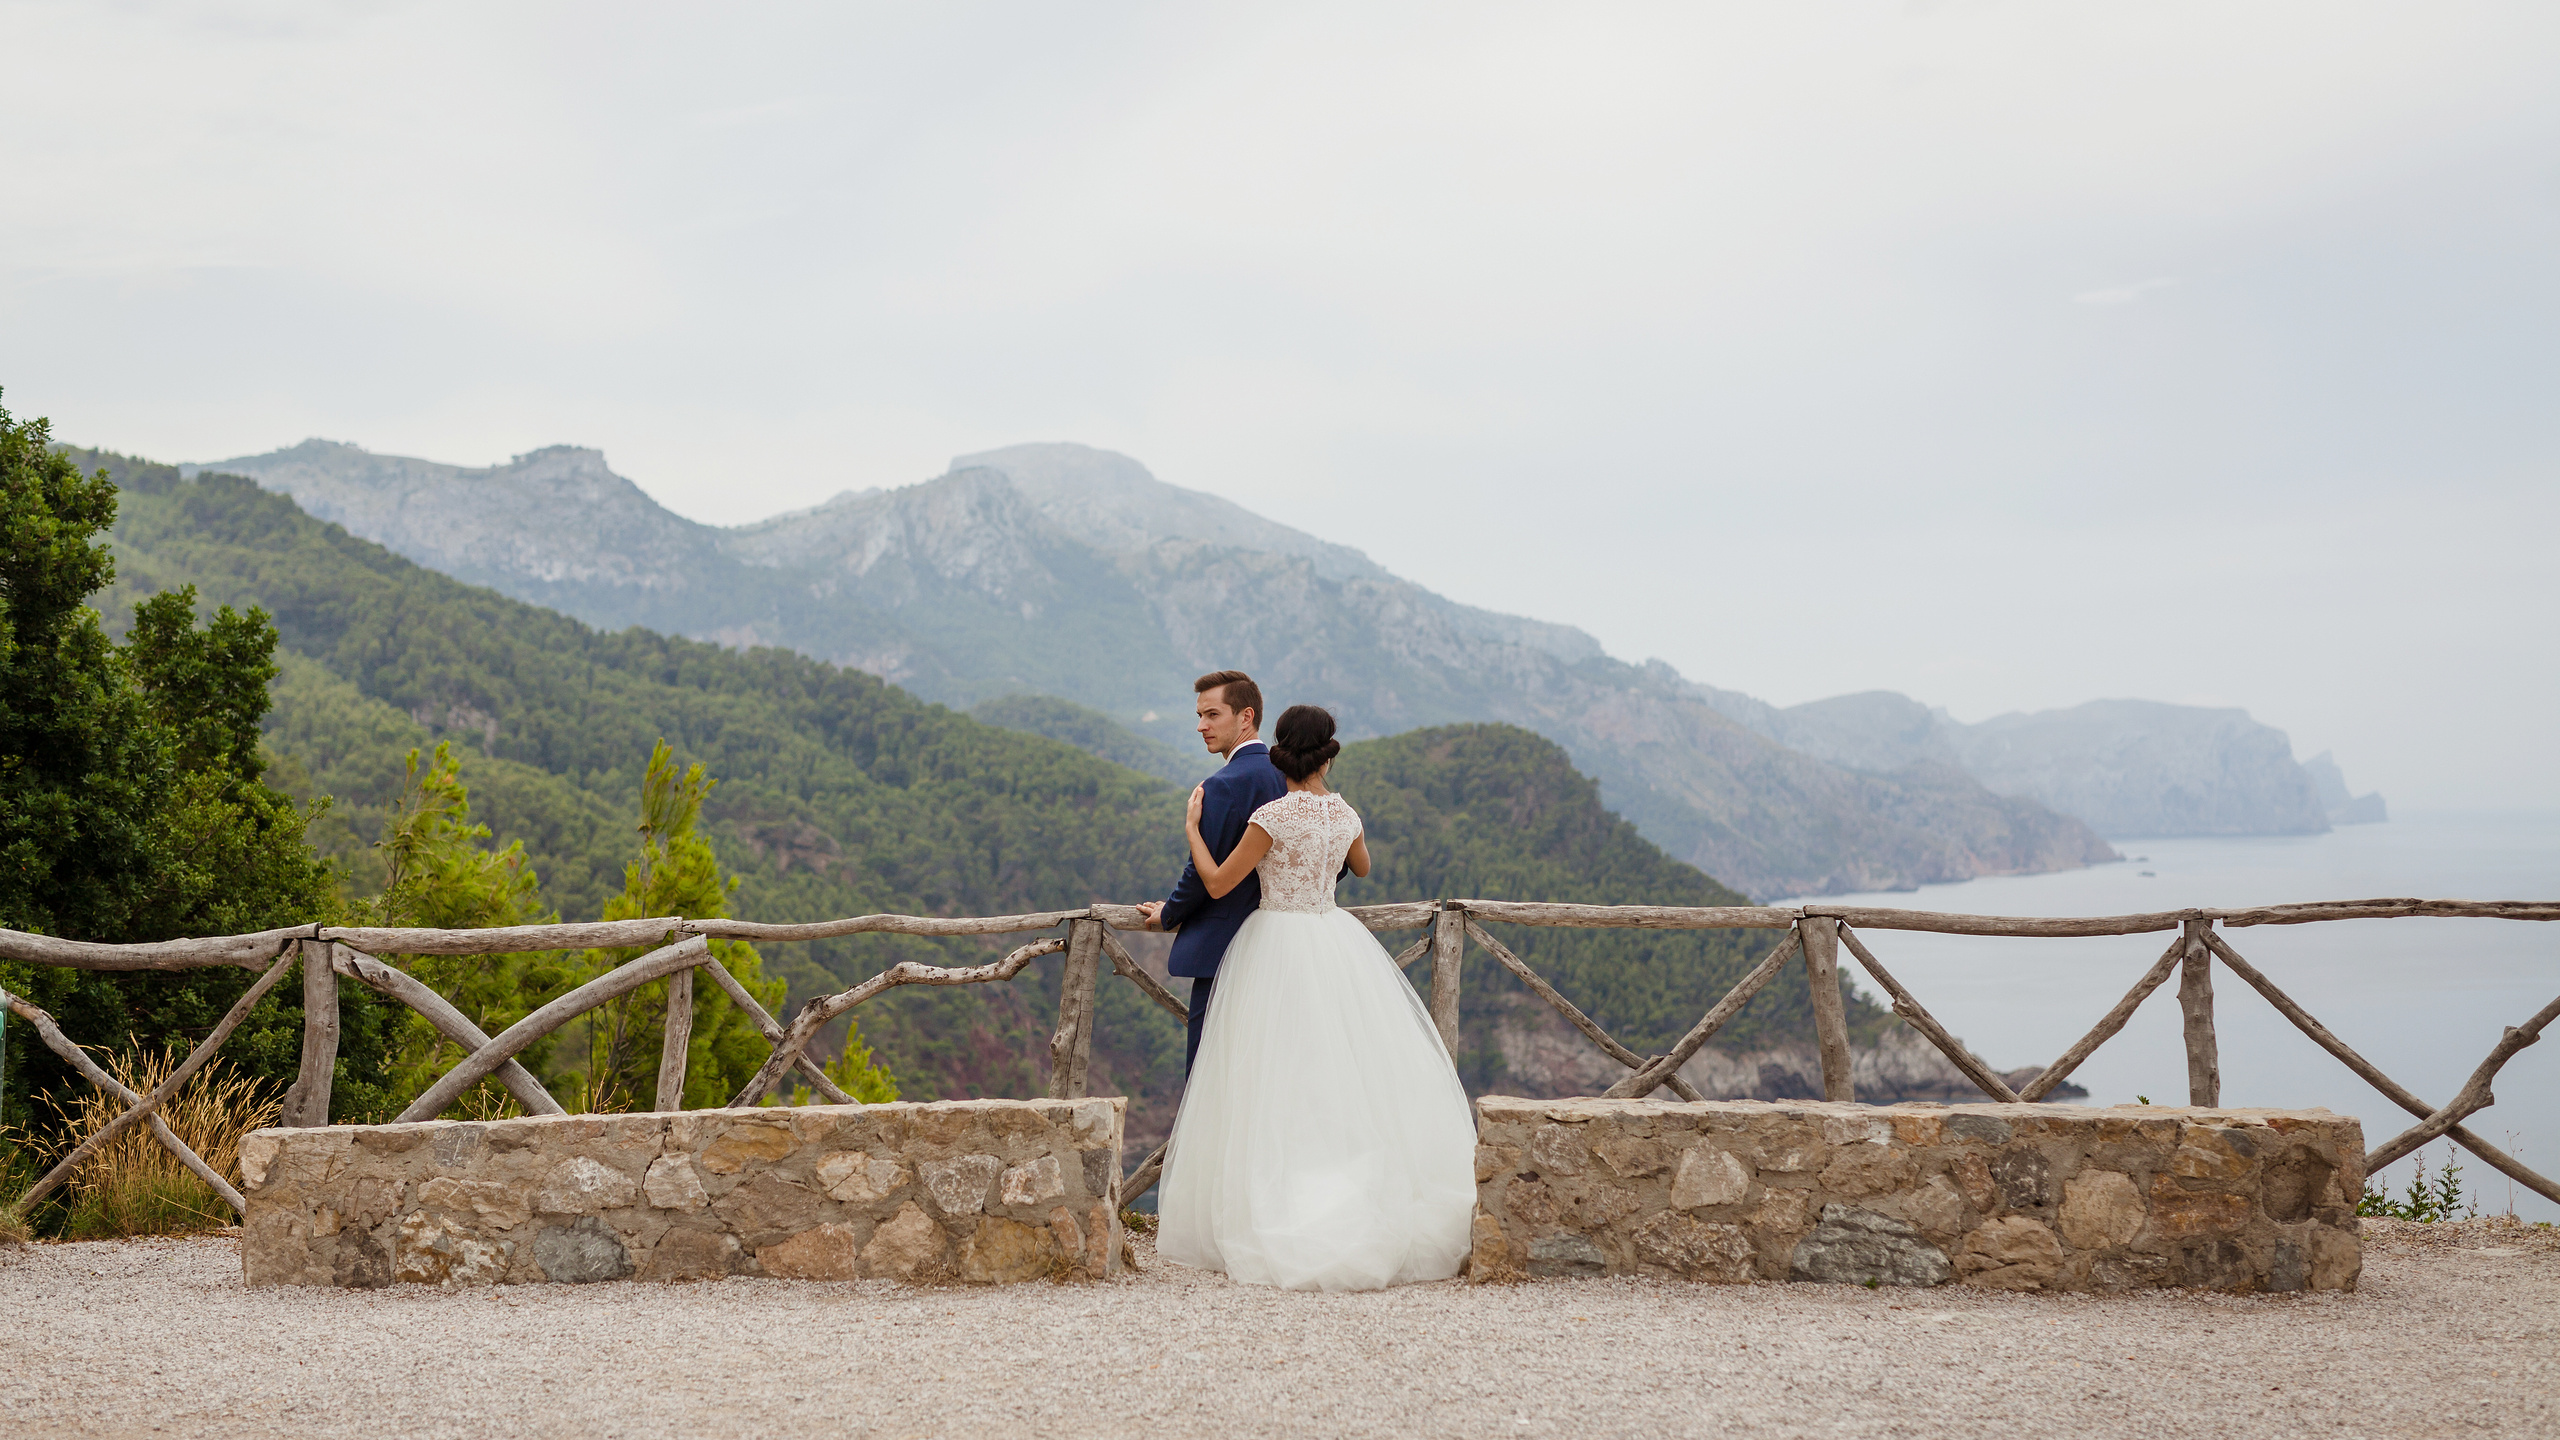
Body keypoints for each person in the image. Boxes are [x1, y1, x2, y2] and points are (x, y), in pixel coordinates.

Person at [1151, 704, 1478, 1291]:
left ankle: (1271, 1203)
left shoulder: (1271, 815)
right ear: (1328, 753)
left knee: (1266, 1076)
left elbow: (1221, 882)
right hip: (1333, 940)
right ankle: (1350, 1197)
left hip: (1273, 942)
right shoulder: (1346, 812)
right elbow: (1363, 867)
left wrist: (1193, 831)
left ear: (1280, 751)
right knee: (1340, 1073)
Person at [1136, 670, 1283, 1074]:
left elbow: (1204, 872)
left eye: (1212, 714)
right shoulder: (1289, 776)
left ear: (1245, 716)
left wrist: (1168, 913)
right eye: (1199, 715)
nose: (1201, 726)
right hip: (1286, 950)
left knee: (1210, 1074)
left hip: (1224, 951)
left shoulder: (1223, 784)